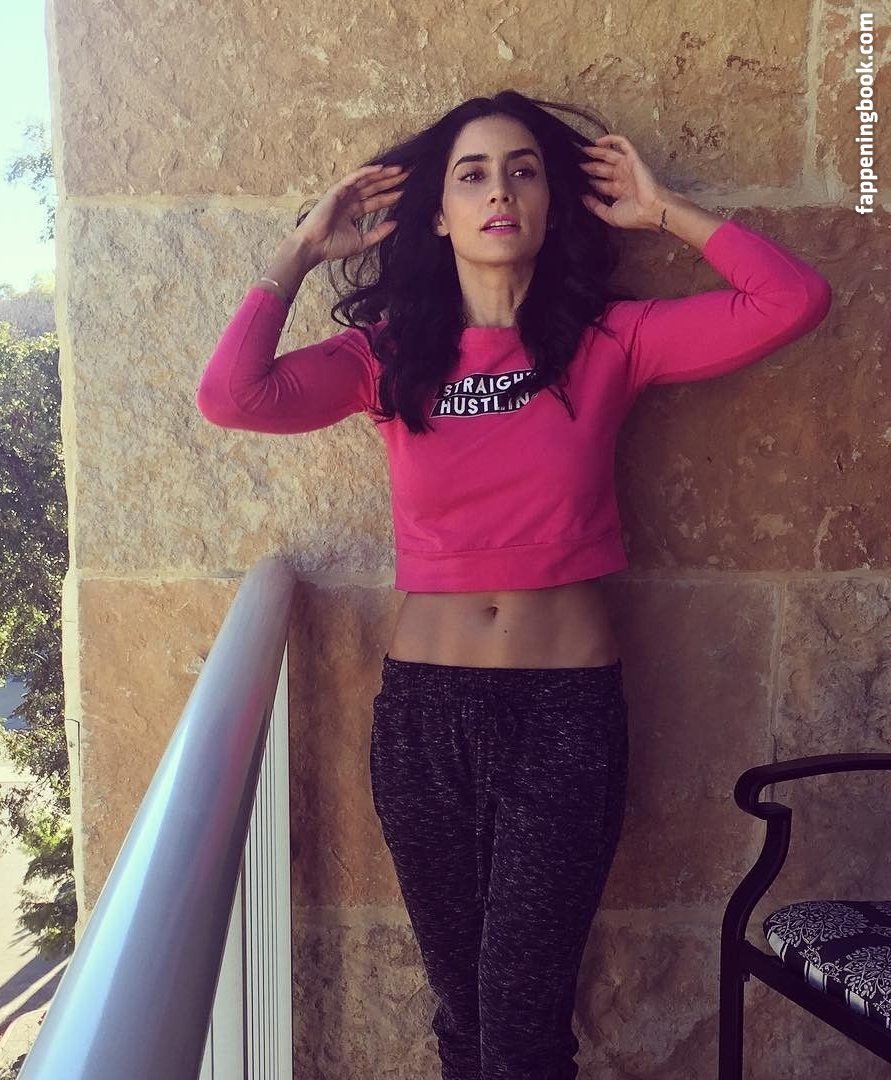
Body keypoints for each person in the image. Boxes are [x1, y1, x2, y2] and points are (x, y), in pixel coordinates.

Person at [195, 90, 833, 1079]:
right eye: (474, 174)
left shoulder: (611, 339)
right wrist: (302, 249)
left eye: (524, 171)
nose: (500, 191)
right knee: (464, 1019)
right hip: (423, 721)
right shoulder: (387, 357)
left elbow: (792, 301)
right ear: (438, 215)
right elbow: (232, 396)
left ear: (552, 204)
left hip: (563, 719)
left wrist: (665, 211)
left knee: (523, 1025)